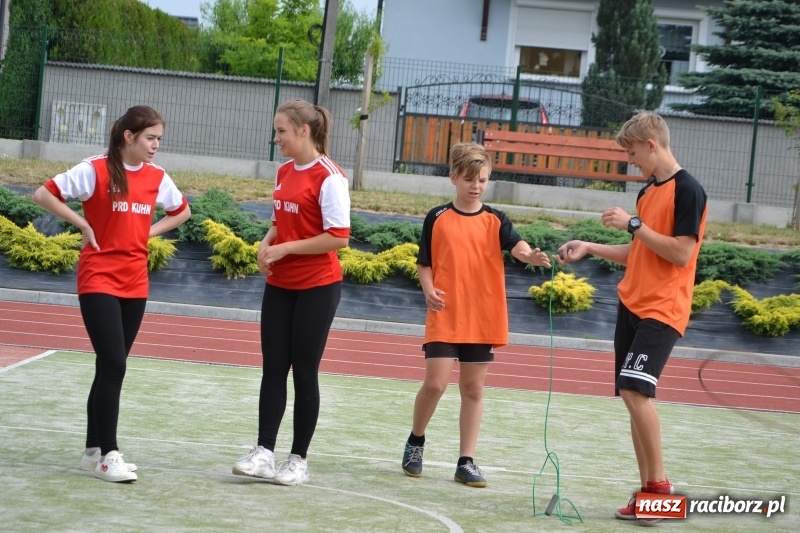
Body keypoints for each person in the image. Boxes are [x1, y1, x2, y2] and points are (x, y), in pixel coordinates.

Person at [555, 111, 707, 525]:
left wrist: (634, 223)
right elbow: (641, 250)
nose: (631, 160)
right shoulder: (646, 193)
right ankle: (647, 494)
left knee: (636, 392)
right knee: (630, 394)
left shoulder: (689, 190)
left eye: (633, 151)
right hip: (633, 306)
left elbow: (680, 253)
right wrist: (590, 246)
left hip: (664, 309)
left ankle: (660, 492)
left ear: (652, 145)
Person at [32, 105, 191, 483]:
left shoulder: (157, 176)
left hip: (135, 281)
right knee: (115, 364)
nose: (155, 146)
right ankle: (109, 454)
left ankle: (92, 450)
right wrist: (82, 223)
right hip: (98, 277)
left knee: (109, 366)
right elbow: (43, 194)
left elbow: (182, 211)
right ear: (129, 136)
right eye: (150, 138)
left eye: (159, 140)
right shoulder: (95, 169)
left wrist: (146, 233)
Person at [401, 142, 551, 488]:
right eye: (469, 178)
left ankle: (465, 461)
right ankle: (416, 441)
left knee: (473, 389)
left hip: (483, 316)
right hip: (445, 313)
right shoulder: (437, 217)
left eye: (482, 179)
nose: (476, 186)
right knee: (435, 384)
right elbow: (425, 263)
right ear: (453, 177)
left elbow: (518, 246)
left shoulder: (496, 220)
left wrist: (529, 257)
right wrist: (428, 288)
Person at [232, 99, 350, 486]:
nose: (276, 137)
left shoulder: (330, 176)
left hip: (317, 287)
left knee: (304, 373)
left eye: (282, 130)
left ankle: (298, 460)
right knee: (272, 368)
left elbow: (338, 238)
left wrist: (284, 249)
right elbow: (279, 221)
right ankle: (264, 452)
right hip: (280, 285)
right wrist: (266, 245)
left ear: (303, 131)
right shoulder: (284, 170)